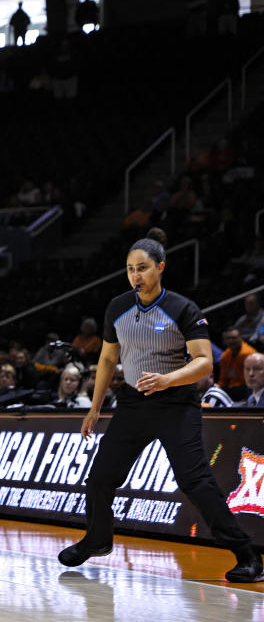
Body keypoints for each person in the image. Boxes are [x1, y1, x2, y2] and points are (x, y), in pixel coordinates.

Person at [59, 238, 262, 583]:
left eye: (142, 268)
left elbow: (202, 363)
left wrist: (168, 380)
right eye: (130, 269)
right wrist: (95, 408)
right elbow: (108, 358)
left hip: (176, 405)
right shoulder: (117, 308)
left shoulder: (183, 309)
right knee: (100, 478)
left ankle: (248, 556)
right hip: (133, 404)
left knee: (194, 481)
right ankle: (96, 540)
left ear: (160, 268)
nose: (135, 275)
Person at [219, 326, 257, 394]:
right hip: (230, 389)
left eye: (234, 338)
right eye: (228, 338)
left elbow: (252, 380)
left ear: (241, 337)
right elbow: (223, 379)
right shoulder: (225, 355)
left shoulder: (248, 354)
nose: (231, 341)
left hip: (246, 389)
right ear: (224, 341)